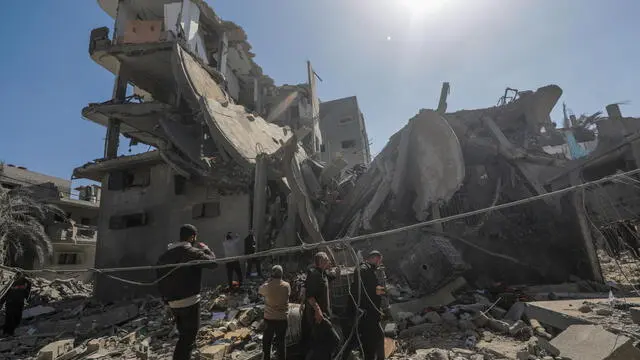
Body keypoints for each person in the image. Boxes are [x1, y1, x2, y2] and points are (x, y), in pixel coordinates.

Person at [156, 224, 218, 360]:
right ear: (192, 237)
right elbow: (213, 263)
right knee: (188, 338)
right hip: (190, 302)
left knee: (184, 337)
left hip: (173, 304)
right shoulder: (192, 252)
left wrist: (166, 301)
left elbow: (159, 279)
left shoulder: (164, 256)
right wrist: (207, 250)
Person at [303, 251, 339, 360]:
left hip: (324, 314)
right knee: (334, 340)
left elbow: (331, 276)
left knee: (323, 343)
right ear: (322, 261)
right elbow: (309, 296)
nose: (329, 262)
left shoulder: (323, 273)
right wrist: (317, 311)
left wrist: (336, 270)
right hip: (318, 316)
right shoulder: (314, 274)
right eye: (327, 260)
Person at [351, 250, 386, 360]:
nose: (380, 263)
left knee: (379, 337)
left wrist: (384, 292)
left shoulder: (370, 270)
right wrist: (385, 291)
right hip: (367, 313)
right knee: (369, 341)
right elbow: (372, 290)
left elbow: (374, 289)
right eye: (379, 260)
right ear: (376, 258)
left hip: (373, 313)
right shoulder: (364, 269)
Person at [259, 265, 291, 360]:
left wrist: (268, 281)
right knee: (281, 343)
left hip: (269, 319)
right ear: (282, 274)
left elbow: (260, 290)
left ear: (272, 275)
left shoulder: (267, 286)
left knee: (267, 343)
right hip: (282, 319)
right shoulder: (287, 285)